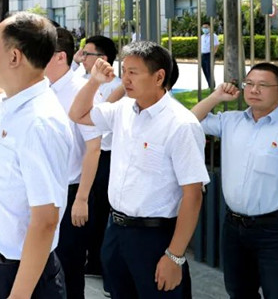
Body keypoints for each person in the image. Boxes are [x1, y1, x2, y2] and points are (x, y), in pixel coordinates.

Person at [68, 41, 209, 298]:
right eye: (124, 71)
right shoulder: (124, 109)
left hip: (155, 236)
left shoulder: (180, 124)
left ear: (159, 77)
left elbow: (193, 195)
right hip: (116, 230)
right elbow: (78, 114)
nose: (125, 79)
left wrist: (175, 256)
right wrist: (94, 81)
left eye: (133, 72)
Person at [191, 62, 278, 299]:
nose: (254, 90)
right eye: (249, 84)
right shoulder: (230, 121)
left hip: (275, 230)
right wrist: (216, 96)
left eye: (263, 85)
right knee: (238, 291)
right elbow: (190, 121)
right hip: (233, 225)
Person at [0, 12, 71, 298]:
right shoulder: (17, 104)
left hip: (20, 277)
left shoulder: (38, 122)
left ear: (15, 56)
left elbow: (45, 220)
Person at [46, 27, 102, 299]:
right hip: (44, 192)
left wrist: (81, 199)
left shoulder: (81, 90)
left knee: (69, 270)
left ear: (60, 56)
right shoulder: (41, 89)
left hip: (70, 193)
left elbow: (94, 147)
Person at [72, 34, 122, 281]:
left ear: (103, 58)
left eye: (87, 54)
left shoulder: (118, 86)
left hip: (104, 156)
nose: (82, 58)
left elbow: (101, 124)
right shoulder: (81, 81)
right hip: (85, 155)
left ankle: (99, 262)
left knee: (99, 209)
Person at [199, 23, 219, 89]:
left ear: (210, 28)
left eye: (206, 27)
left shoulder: (213, 36)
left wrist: (213, 54)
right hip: (203, 55)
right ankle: (209, 85)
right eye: (203, 27)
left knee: (209, 71)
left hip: (209, 55)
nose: (204, 29)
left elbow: (216, 45)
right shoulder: (202, 36)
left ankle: (212, 86)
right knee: (205, 70)